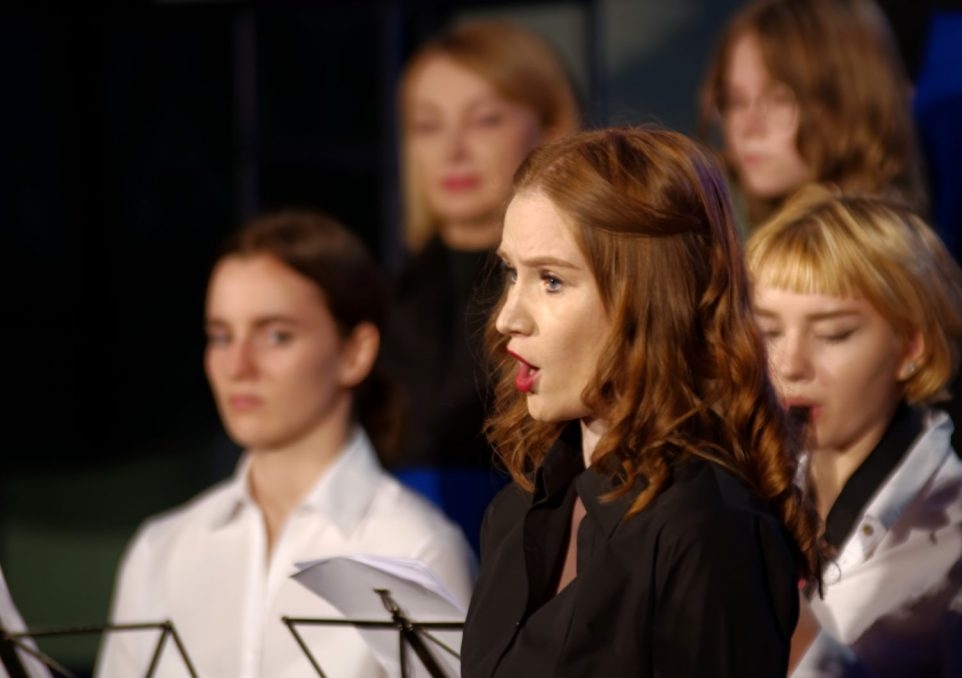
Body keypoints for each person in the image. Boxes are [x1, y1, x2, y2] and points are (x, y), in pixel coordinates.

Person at [460, 127, 823, 677]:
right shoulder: (517, 511)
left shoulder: (708, 529)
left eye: (551, 281)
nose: (508, 316)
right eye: (513, 273)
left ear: (651, 299)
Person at [95, 211, 476, 678]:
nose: (238, 365)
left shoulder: (416, 550)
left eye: (276, 335)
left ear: (355, 352)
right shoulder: (162, 550)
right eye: (221, 335)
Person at [746, 185, 962, 676]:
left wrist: (796, 634)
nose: (789, 364)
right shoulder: (752, 494)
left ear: (911, 347)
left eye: (833, 333)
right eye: (768, 331)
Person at [380, 19, 581, 472]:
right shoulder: (382, 306)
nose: (454, 149)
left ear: (549, 130)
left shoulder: (581, 297)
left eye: (485, 120)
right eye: (428, 125)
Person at [698, 0, 924, 235]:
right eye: (736, 100)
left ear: (851, 99)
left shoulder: (867, 259)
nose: (748, 126)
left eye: (779, 98)